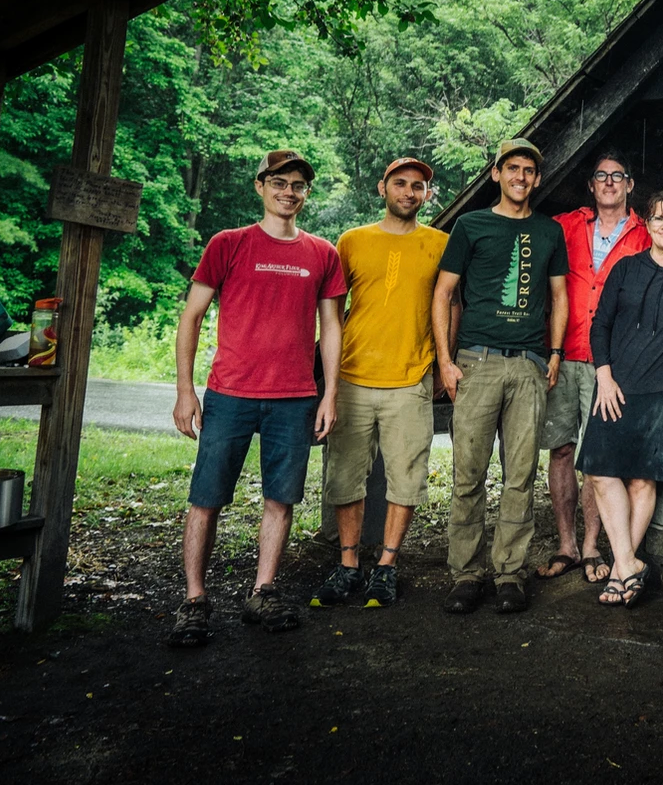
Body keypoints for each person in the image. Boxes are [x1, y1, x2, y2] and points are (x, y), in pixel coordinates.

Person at [168, 150, 346, 647]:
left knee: (281, 499)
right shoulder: (229, 244)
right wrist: (185, 391)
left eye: (298, 185)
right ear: (260, 186)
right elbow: (191, 317)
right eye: (280, 182)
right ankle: (194, 600)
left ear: (306, 194)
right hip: (230, 392)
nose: (289, 191)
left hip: (295, 397)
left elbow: (331, 328)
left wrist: (329, 394)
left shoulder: (322, 253)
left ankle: (263, 591)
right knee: (206, 499)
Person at [432, 138, 569, 616]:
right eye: (512, 168)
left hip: (528, 365)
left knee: (520, 475)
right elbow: (445, 293)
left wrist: (552, 353)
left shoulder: (550, 231)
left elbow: (558, 295)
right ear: (497, 173)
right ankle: (466, 574)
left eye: (529, 170)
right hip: (477, 361)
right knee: (468, 473)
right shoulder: (470, 226)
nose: (521, 177)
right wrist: (445, 361)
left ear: (535, 178)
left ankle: (509, 572)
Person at [312, 158, 448, 610]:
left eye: (418, 186)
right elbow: (330, 310)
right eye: (400, 184)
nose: (409, 192)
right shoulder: (351, 242)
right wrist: (326, 378)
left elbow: (450, 305)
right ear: (382, 188)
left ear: (426, 195)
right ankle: (349, 564)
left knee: (405, 479)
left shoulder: (440, 244)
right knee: (346, 475)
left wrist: (440, 362)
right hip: (351, 377)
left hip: (410, 378)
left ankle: (387, 566)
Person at [576, 190, 663, 608]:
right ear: (649, 224)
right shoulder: (625, 269)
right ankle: (629, 564)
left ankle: (620, 572)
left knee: (642, 479)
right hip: (618, 386)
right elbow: (600, 325)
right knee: (600, 473)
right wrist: (604, 376)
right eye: (658, 218)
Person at [537, 150, 650, 585]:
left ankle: (591, 546)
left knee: (598, 457)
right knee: (561, 448)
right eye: (601, 176)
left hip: (611, 365)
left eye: (616, 176)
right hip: (562, 354)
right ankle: (566, 543)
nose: (608, 183)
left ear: (629, 184)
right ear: (591, 184)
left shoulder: (644, 234)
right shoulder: (566, 226)